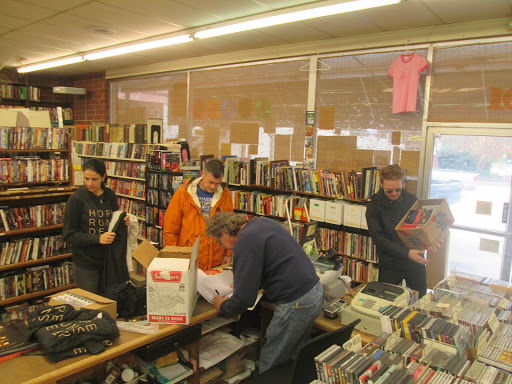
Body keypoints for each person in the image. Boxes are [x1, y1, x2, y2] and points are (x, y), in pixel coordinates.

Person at [206, 212, 323, 373]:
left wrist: (223, 306)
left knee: (270, 362)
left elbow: (245, 300)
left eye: (219, 242)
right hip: (313, 292)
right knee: (294, 355)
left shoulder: (244, 242)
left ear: (223, 233)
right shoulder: (261, 223)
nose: (222, 247)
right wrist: (246, 281)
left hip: (296, 302)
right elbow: (271, 262)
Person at [63, 158, 129, 294]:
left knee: (109, 300)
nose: (89, 183)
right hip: (86, 263)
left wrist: (123, 221)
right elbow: (69, 235)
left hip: (108, 261)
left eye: (94, 179)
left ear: (103, 177)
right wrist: (97, 239)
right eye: (86, 179)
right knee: (90, 304)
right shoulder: (76, 199)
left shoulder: (109, 195)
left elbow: (113, 221)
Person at [365, 164, 428, 297]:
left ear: (403, 184)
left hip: (414, 260)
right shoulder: (374, 206)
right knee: (385, 300)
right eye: (389, 191)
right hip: (390, 262)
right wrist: (407, 253)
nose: (394, 194)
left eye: (398, 190)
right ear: (381, 184)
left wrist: (431, 240)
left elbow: (420, 228)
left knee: (420, 299)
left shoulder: (412, 199)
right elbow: (378, 239)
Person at [163, 159, 234, 270]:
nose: (213, 187)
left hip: (216, 258)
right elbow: (170, 229)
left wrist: (228, 253)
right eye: (210, 182)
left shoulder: (225, 195)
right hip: (189, 257)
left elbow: (230, 227)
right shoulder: (183, 194)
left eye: (217, 183)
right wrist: (173, 255)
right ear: (203, 174)